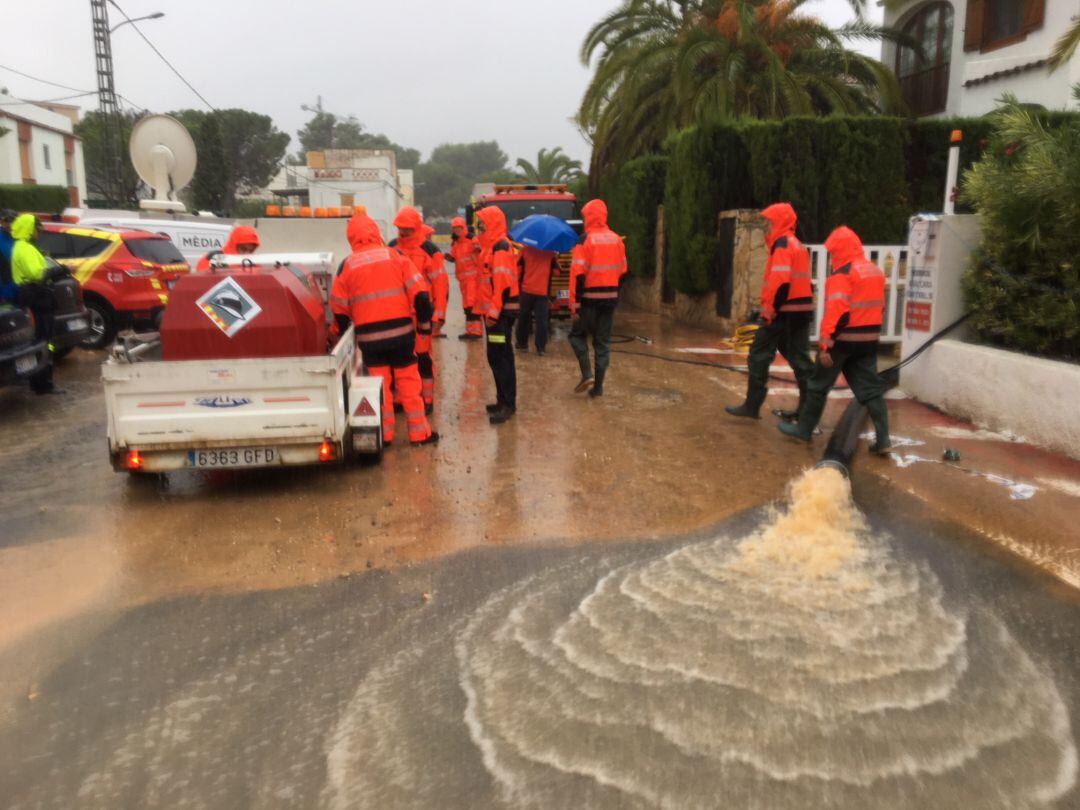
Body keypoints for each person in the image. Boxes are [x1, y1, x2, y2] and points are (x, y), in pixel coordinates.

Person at [779, 226, 891, 454]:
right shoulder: (875, 271)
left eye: (833, 252)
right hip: (869, 340)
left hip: (842, 341)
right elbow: (880, 307)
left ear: (840, 250)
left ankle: (803, 430)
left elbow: (837, 312)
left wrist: (824, 347)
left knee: (817, 385)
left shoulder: (843, 274)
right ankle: (883, 440)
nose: (831, 257)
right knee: (870, 390)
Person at [330, 213, 438, 446]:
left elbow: (339, 308)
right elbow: (420, 293)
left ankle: (385, 435)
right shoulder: (395, 256)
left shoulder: (347, 265)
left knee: (380, 387)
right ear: (375, 232)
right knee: (409, 382)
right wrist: (424, 326)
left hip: (369, 339)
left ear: (352, 237)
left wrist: (339, 334)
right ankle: (420, 434)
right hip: (401, 334)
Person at [725, 202, 815, 420]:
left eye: (770, 222)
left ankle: (752, 406)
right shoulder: (797, 245)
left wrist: (770, 311)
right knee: (800, 360)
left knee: (758, 355)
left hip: (782, 313)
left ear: (780, 222)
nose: (767, 226)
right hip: (799, 312)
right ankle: (807, 413)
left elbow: (780, 282)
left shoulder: (783, 244)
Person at [568, 199, 627, 397]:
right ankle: (598, 387)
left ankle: (587, 374)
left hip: (588, 301)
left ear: (589, 216)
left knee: (576, 336)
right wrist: (614, 295)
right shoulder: (617, 239)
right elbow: (623, 271)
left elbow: (577, 274)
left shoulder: (584, 239)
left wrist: (574, 306)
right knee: (602, 343)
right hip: (609, 301)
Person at [389, 207, 441, 412]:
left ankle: (427, 399)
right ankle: (401, 399)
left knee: (423, 358)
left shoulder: (430, 250)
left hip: (422, 313)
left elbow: (440, 283)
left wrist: (439, 314)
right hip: (399, 312)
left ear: (416, 228)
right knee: (401, 359)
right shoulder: (392, 248)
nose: (403, 233)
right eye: (400, 228)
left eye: (407, 229)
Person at [473, 206, 520, 425]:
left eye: (482, 222)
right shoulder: (491, 246)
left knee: (500, 357)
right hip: (494, 314)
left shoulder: (500, 247)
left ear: (492, 222)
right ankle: (503, 400)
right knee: (497, 356)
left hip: (498, 315)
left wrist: (493, 312)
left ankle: (508, 404)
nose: (479, 226)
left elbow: (501, 283)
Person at [9, 214, 61, 394]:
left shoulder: (25, 247)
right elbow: (37, 273)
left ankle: (44, 381)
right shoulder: (24, 249)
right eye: (38, 229)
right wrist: (55, 270)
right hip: (36, 296)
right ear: (30, 229)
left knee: (46, 339)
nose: (39, 233)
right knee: (43, 339)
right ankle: (42, 383)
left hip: (37, 295)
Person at [515, 245, 559, 355]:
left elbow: (518, 269)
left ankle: (522, 343)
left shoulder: (524, 250)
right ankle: (541, 348)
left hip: (526, 290)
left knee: (523, 318)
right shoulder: (550, 253)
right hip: (542, 292)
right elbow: (556, 273)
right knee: (542, 321)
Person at [445, 216, 483, 340]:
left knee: (472, 305)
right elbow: (454, 257)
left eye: (458, 228)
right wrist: (448, 258)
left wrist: (478, 247)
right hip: (463, 280)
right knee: (467, 306)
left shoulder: (471, 239)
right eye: (454, 228)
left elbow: (480, 250)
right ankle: (470, 331)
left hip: (473, 278)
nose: (456, 231)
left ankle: (476, 332)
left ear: (463, 228)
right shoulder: (456, 243)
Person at [421, 225, 450, 338]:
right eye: (429, 236)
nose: (431, 238)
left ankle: (435, 330)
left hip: (435, 288)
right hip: (431, 290)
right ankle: (433, 331)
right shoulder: (429, 250)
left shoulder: (430, 249)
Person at [195, 225, 260, 271]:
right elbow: (201, 279)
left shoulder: (252, 262)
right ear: (234, 245)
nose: (247, 253)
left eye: (251, 250)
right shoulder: (215, 258)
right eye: (243, 249)